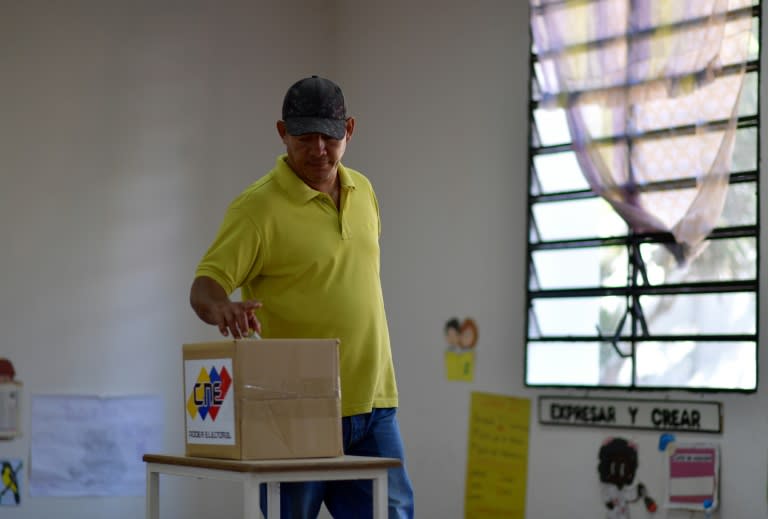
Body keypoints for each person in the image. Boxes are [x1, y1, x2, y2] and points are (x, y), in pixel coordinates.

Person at [189, 75, 414, 519]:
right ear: (281, 133)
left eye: (329, 137)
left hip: (374, 402)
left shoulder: (364, 192)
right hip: (295, 407)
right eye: (304, 137)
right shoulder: (257, 208)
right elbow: (204, 285)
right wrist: (222, 308)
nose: (318, 150)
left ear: (348, 130)